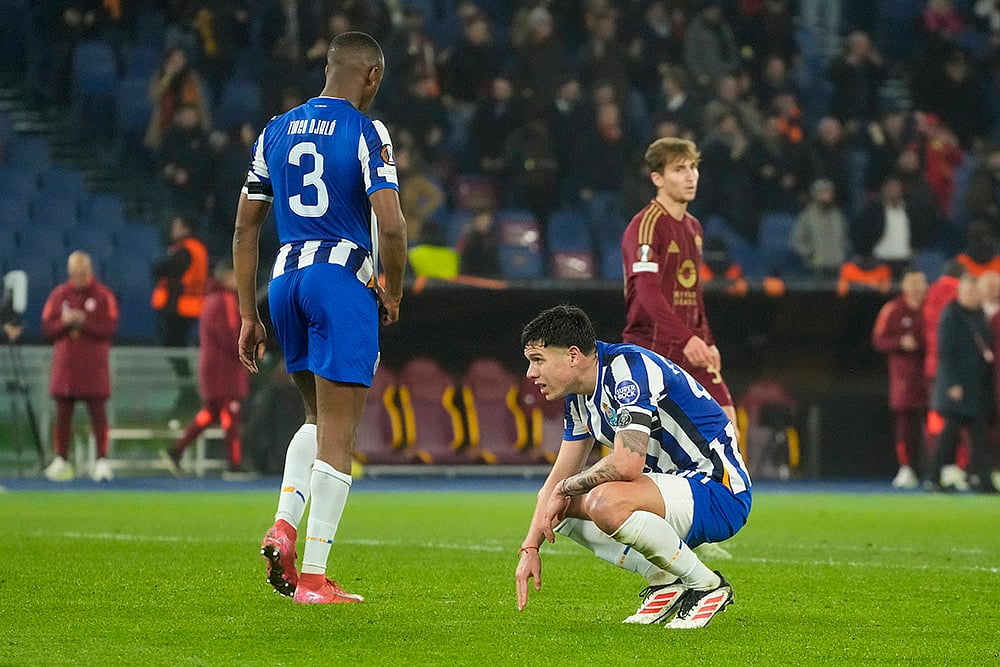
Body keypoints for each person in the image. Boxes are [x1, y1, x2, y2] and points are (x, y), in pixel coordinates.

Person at [233, 31, 407, 605]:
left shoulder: (274, 130)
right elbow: (395, 225)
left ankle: (283, 525)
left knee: (314, 415)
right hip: (340, 278)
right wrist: (392, 289)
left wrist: (246, 315)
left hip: (284, 281)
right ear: (372, 76)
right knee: (341, 435)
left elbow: (245, 228)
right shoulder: (367, 131)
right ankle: (313, 577)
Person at [515, 305, 751, 628]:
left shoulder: (627, 370)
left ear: (573, 355)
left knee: (602, 501)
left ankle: (707, 585)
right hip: (672, 490)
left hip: (718, 490)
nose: (530, 373)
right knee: (555, 512)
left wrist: (565, 489)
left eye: (538, 360)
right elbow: (557, 480)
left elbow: (628, 463)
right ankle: (665, 580)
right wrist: (530, 547)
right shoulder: (579, 397)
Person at [621, 137, 735, 425]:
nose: (690, 176)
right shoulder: (646, 225)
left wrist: (707, 341)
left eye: (693, 167)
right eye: (679, 169)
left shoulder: (694, 227)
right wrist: (688, 340)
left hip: (689, 350)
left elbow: (693, 295)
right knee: (645, 452)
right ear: (657, 177)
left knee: (727, 426)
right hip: (650, 349)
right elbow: (647, 293)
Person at [160, 261, 249, 477]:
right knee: (230, 413)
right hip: (225, 370)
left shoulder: (209, 299)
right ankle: (233, 464)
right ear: (227, 277)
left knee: (210, 413)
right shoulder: (226, 300)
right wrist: (247, 351)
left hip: (212, 368)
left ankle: (177, 450)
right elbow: (229, 334)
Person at [40, 252, 119, 482]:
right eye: (76, 273)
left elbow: (110, 327)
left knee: (98, 416)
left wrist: (84, 321)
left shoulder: (103, 295)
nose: (81, 276)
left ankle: (102, 461)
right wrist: (64, 322)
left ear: (90, 270)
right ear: (70, 272)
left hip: (94, 368)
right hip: (66, 368)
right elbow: (47, 326)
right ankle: (61, 460)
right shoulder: (59, 295)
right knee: (63, 414)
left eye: (84, 272)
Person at [927, 274, 996, 492]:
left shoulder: (978, 314)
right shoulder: (951, 313)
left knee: (978, 438)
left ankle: (984, 482)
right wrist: (952, 384)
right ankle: (933, 478)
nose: (973, 296)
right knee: (948, 437)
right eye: (969, 292)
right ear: (960, 293)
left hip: (976, 387)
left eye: (975, 292)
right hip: (957, 388)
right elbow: (945, 352)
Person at [871, 271, 929, 489]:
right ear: (904, 286)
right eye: (912, 283)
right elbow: (878, 340)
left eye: (920, 283)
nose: (916, 288)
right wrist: (899, 343)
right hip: (904, 380)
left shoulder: (932, 307)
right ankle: (906, 468)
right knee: (906, 426)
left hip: (931, 377)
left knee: (934, 427)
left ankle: (934, 468)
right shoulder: (893, 309)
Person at [151, 214, 209, 347]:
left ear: (186, 229)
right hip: (193, 304)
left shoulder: (184, 250)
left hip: (178, 306)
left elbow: (166, 269)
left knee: (172, 346)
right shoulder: (198, 249)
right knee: (180, 344)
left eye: (176, 227)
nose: (173, 230)